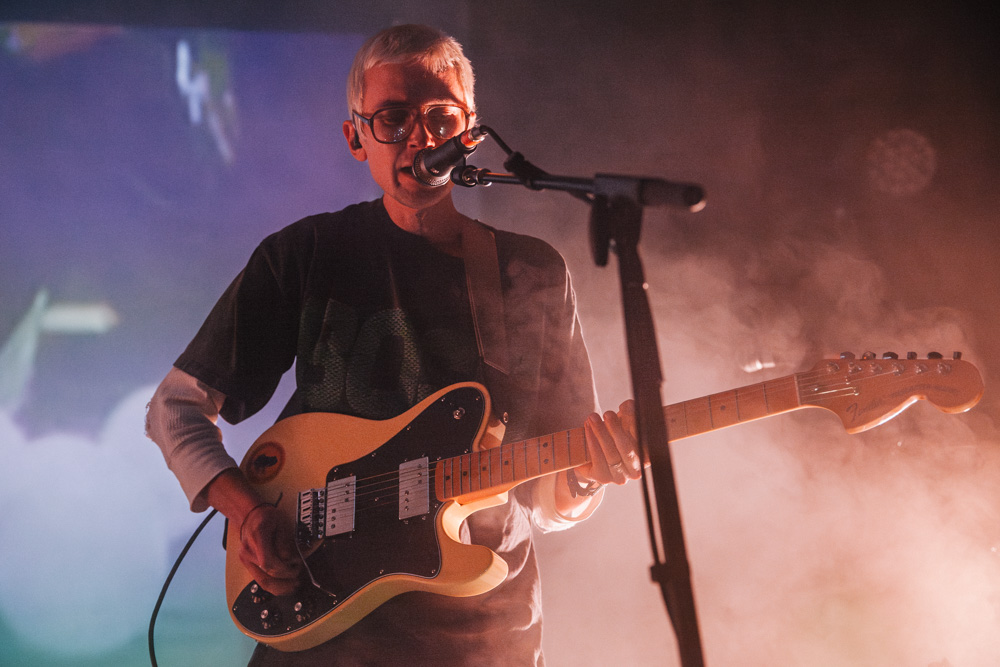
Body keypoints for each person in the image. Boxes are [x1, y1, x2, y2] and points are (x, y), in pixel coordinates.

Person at [146, 24, 641, 666]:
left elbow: (549, 494)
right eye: (393, 119)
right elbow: (174, 410)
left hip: (483, 635)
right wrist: (245, 512)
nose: (421, 138)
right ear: (356, 137)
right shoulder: (305, 255)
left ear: (470, 132)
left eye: (440, 118)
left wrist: (585, 478)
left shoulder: (531, 270)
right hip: (322, 628)